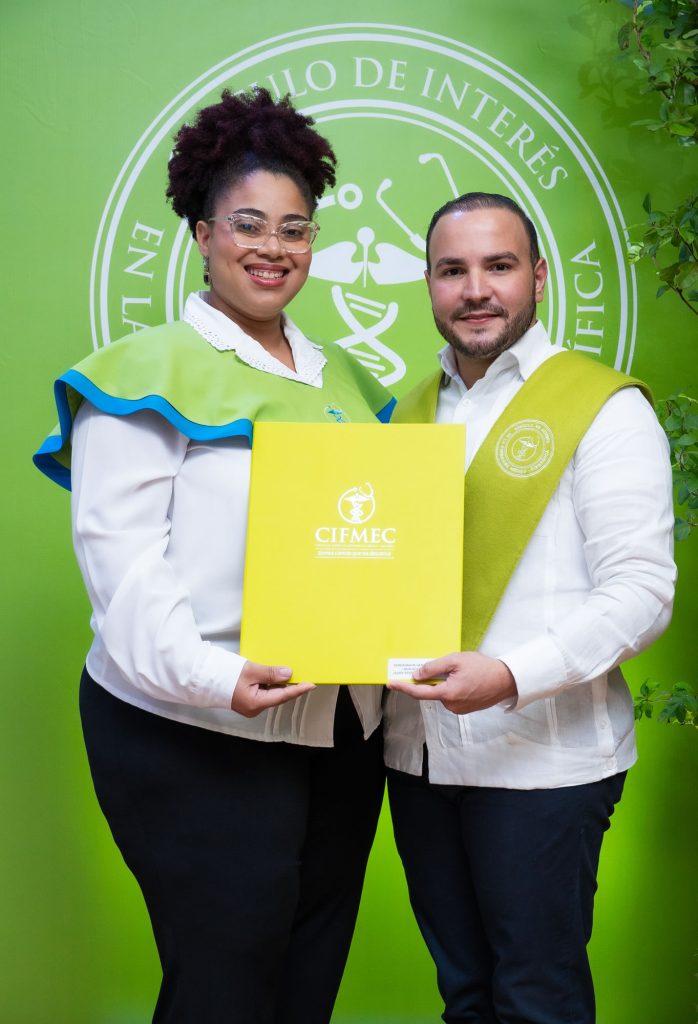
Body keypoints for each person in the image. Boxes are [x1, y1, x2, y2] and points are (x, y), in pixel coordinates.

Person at [34, 89, 394, 1024]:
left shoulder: (350, 382)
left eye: (295, 229)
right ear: (201, 233)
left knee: (309, 977)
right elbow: (122, 568)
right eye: (248, 223)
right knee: (224, 986)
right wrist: (212, 677)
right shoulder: (139, 375)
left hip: (340, 729)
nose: (274, 247)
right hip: (193, 726)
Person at [384, 192, 675, 1024]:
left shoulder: (604, 408)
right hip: (418, 758)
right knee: (465, 998)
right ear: (430, 283)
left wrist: (510, 674)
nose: (475, 289)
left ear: (539, 277)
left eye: (499, 266)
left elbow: (642, 591)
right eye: (452, 270)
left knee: (536, 1000)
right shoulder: (406, 412)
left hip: (543, 761)